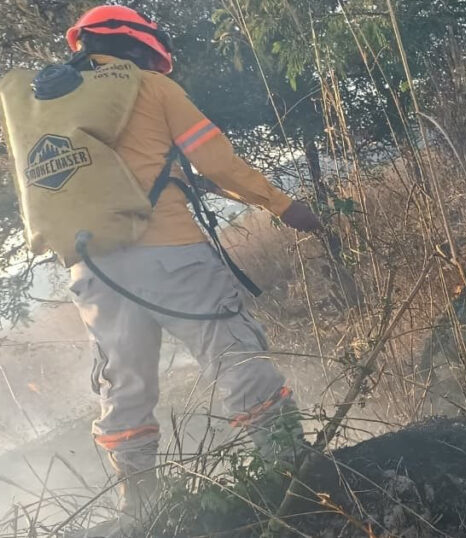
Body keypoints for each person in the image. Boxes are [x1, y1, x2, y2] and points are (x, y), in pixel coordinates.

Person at [0, 5, 319, 536]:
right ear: (139, 47)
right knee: (238, 358)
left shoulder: (44, 107)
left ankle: (142, 513)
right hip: (173, 257)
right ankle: (294, 476)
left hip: (94, 273)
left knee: (123, 390)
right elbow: (216, 163)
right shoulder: (150, 87)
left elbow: (130, 173)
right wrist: (283, 206)